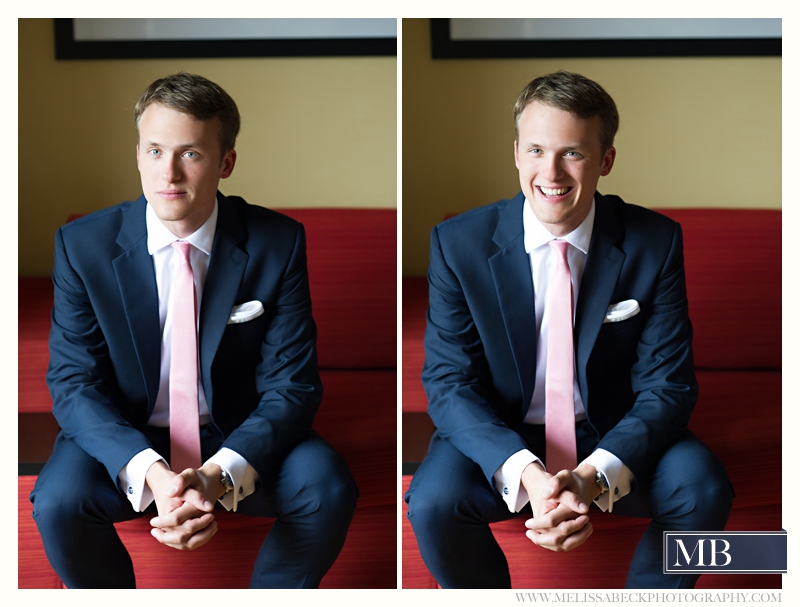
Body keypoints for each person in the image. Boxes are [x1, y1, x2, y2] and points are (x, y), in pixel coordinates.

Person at [404, 70, 733, 589]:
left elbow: (667, 386)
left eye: (572, 153)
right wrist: (531, 476)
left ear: (606, 161)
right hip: (503, 431)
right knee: (431, 501)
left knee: (704, 488)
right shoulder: (457, 243)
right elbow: (449, 384)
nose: (550, 171)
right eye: (535, 150)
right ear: (516, 153)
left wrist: (590, 475)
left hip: (613, 428)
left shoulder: (656, 242)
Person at [30, 72, 358, 589]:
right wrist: (155, 475)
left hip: (236, 429)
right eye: (155, 151)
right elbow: (74, 384)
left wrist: (216, 473)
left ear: (226, 162)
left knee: (328, 487)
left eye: (191, 154)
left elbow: (292, 386)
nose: (170, 174)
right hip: (127, 431)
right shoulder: (82, 245)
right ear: (137, 154)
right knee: (57, 501)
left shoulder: (278, 242)